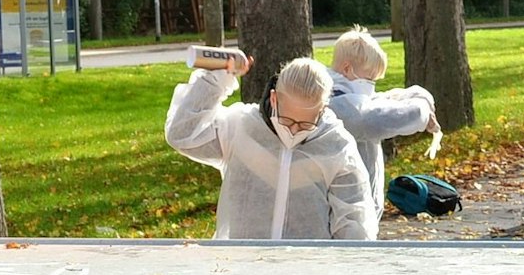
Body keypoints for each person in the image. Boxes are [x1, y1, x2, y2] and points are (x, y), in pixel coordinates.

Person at [164, 54, 369, 240]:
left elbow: (354, 219)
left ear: (322, 110)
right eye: (287, 120)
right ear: (274, 98)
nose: (294, 131)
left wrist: (345, 267)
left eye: (306, 124)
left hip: (308, 269)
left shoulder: (336, 145)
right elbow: (182, 133)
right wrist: (215, 81)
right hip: (242, 265)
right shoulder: (242, 127)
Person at [325, 26, 441, 238]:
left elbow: (381, 100)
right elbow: (372, 119)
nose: (371, 85)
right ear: (347, 69)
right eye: (369, 78)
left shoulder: (347, 93)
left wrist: (418, 95)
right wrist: (421, 111)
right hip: (346, 212)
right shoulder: (341, 105)